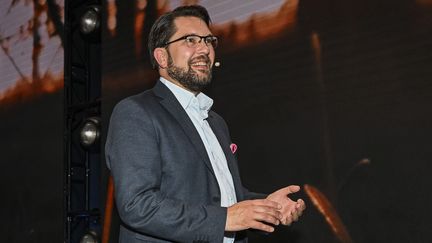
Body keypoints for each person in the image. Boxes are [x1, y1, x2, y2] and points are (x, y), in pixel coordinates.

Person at [105, 5, 306, 243]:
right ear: (162, 57)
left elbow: (222, 198)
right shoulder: (135, 112)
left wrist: (268, 207)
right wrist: (223, 220)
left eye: (209, 40)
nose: (204, 48)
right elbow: (137, 205)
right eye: (190, 40)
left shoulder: (216, 121)